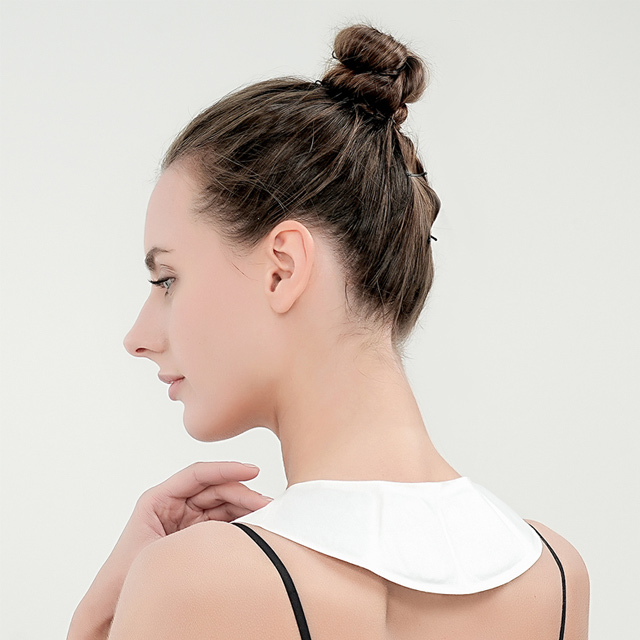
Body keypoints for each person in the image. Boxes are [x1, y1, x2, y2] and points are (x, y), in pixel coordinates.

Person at [67, 24, 590, 640]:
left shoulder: (194, 581)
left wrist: (98, 618)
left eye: (166, 280)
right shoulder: (557, 575)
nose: (137, 337)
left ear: (282, 269)